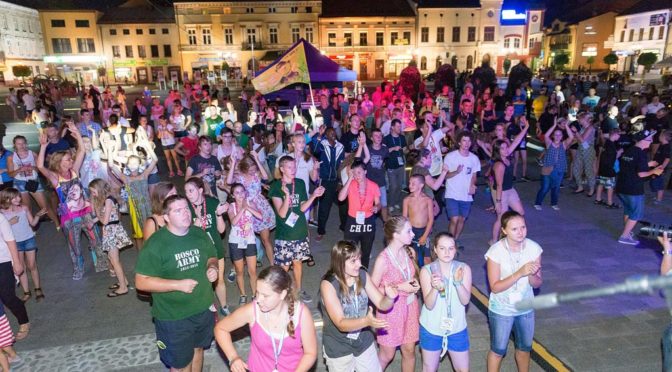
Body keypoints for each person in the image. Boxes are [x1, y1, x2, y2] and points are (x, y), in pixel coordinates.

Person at [135, 195, 219, 372]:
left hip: (203, 309)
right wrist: (177, 285)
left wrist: (213, 267)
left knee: (198, 350)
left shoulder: (199, 234)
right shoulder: (156, 244)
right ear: (166, 217)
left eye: (186, 209)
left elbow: (212, 256)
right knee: (180, 364)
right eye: (178, 210)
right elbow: (141, 282)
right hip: (173, 317)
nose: (185, 213)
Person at [214, 266, 318, 372]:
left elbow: (310, 353)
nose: (258, 299)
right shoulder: (252, 311)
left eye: (265, 295)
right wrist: (233, 358)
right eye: (257, 292)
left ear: (282, 294)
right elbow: (221, 329)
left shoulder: (302, 314)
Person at [37, 123, 106, 280]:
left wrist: (77, 134)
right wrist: (42, 147)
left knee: (96, 239)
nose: (70, 160)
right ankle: (78, 267)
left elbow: (81, 151)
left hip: (86, 212)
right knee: (74, 245)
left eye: (70, 159)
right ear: (60, 162)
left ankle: (102, 263)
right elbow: (40, 166)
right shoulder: (55, 178)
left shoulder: (74, 170)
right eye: (68, 159)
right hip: (69, 217)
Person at [319, 240, 398, 372]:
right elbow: (340, 323)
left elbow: (381, 304)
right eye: (353, 261)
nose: (360, 264)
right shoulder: (328, 285)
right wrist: (366, 321)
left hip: (363, 339)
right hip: (338, 345)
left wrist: (390, 298)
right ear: (340, 263)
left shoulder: (362, 275)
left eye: (359, 258)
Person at [485, 211, 543, 372]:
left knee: (525, 348)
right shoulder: (495, 252)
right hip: (501, 309)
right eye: (514, 229)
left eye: (523, 227)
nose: (520, 232)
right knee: (498, 350)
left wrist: (532, 275)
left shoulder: (533, 248)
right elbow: (495, 287)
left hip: (525, 307)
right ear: (504, 230)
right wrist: (520, 273)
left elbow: (537, 283)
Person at [270, 156, 325, 303]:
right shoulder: (276, 187)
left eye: (294, 167)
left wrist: (314, 196)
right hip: (285, 234)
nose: (293, 170)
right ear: (282, 169)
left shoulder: (299, 183)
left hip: (299, 230)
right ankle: (279, 293)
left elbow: (301, 208)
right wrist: (287, 195)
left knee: (298, 263)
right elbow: (281, 214)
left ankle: (298, 291)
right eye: (289, 167)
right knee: (284, 267)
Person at [371, 216, 420, 372]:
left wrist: (415, 283)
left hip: (410, 306)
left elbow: (411, 277)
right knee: (387, 355)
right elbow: (371, 290)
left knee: (409, 351)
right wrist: (400, 287)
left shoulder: (410, 252)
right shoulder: (383, 260)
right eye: (409, 231)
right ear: (395, 235)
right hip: (390, 310)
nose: (413, 234)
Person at [419, 232, 472, 372]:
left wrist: (458, 283)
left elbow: (465, 300)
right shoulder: (426, 271)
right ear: (435, 250)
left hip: (457, 328)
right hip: (431, 327)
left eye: (451, 248)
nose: (447, 252)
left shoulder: (463, 269)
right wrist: (435, 288)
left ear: (455, 249)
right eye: (442, 248)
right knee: (430, 368)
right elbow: (429, 305)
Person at [184, 177, 230, 315]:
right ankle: (207, 305)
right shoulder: (185, 209)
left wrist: (218, 215)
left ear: (200, 190)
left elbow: (221, 230)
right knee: (203, 282)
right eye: (186, 191)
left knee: (219, 279)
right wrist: (195, 223)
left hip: (215, 248)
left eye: (191, 190)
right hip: (197, 251)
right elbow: (185, 234)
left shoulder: (212, 203)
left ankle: (224, 306)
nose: (188, 194)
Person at [616, 129, 664, 245]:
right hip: (634, 188)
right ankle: (625, 236)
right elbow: (641, 174)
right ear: (643, 141)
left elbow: (631, 165)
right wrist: (654, 171)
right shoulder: (641, 154)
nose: (651, 141)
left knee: (628, 210)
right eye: (649, 139)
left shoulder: (629, 150)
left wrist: (648, 164)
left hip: (622, 187)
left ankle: (628, 231)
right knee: (636, 214)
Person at [227, 154, 276, 264]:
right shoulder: (239, 176)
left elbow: (266, 177)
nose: (253, 172)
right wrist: (233, 163)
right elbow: (229, 182)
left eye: (255, 169)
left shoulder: (257, 174)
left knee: (265, 239)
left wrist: (257, 160)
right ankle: (248, 259)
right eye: (250, 170)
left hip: (260, 208)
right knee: (246, 238)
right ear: (244, 168)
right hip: (245, 208)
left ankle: (273, 264)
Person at [88, 179, 132, 297]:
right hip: (112, 230)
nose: (93, 194)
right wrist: (94, 221)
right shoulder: (109, 199)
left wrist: (97, 215)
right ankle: (124, 281)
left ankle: (123, 287)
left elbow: (105, 220)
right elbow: (108, 214)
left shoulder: (108, 200)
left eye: (93, 192)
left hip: (111, 230)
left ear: (99, 189)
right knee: (113, 258)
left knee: (114, 260)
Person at [0, 188, 46, 302]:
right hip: (15, 243)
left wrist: (38, 215)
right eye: (15, 197)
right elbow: (2, 230)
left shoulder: (24, 208)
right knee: (21, 268)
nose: (18, 198)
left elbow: (33, 223)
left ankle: (38, 288)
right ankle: (26, 292)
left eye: (19, 196)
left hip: (28, 239)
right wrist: (10, 223)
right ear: (7, 199)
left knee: (32, 265)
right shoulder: (2, 214)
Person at [490, 120, 530, 245]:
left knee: (520, 213)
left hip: (510, 190)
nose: (506, 149)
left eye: (506, 147)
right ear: (498, 151)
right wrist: (498, 202)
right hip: (501, 193)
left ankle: (512, 235)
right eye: (502, 148)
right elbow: (499, 185)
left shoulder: (507, 156)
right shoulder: (499, 165)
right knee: (501, 218)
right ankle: (494, 241)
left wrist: (526, 127)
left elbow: (517, 140)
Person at [7, 135, 59, 227]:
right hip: (19, 183)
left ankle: (58, 224)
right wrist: (19, 170)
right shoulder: (11, 157)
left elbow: (40, 169)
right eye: (19, 143)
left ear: (26, 143)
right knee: (27, 208)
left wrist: (33, 167)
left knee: (45, 206)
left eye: (23, 143)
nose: (21, 145)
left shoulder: (33, 154)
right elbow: (10, 174)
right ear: (14, 145)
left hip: (34, 181)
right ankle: (31, 227)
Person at [338, 160, 380, 270]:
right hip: (352, 220)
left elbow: (379, 203)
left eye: (359, 172)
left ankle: (363, 272)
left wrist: (377, 207)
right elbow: (341, 198)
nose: (357, 175)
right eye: (354, 173)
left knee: (366, 252)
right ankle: (349, 272)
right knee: (349, 250)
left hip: (368, 221)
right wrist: (349, 179)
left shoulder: (374, 185)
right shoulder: (350, 184)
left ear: (365, 171)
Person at [443, 131, 480, 243]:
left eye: (469, 141)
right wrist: (456, 172)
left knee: (461, 219)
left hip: (466, 195)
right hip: (452, 194)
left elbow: (474, 175)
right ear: (459, 142)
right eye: (464, 140)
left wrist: (473, 184)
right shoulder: (450, 157)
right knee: (454, 219)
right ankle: (449, 242)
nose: (466, 143)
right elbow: (445, 176)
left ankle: (455, 240)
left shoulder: (474, 159)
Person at [227, 183, 261, 305]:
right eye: (237, 192)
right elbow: (234, 222)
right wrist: (242, 208)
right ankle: (243, 294)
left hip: (250, 240)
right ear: (232, 195)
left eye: (242, 191)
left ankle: (254, 294)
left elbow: (260, 216)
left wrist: (248, 207)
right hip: (236, 242)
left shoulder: (250, 203)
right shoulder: (231, 207)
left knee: (252, 271)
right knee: (239, 271)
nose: (240, 194)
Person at [311, 127, 345, 241]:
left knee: (343, 204)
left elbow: (342, 166)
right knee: (324, 208)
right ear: (326, 135)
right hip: (325, 181)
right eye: (330, 133)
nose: (333, 134)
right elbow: (314, 150)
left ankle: (344, 227)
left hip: (336, 181)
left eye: (334, 132)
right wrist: (319, 136)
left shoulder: (341, 146)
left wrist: (341, 182)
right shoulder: (322, 144)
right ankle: (321, 231)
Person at [534, 118, 575, 210]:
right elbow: (546, 135)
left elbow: (571, 137)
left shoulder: (564, 145)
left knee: (556, 188)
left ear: (561, 136)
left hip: (559, 169)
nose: (557, 136)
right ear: (553, 136)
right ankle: (538, 203)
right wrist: (554, 125)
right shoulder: (549, 143)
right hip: (547, 169)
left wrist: (567, 126)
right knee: (545, 187)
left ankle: (554, 203)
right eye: (555, 135)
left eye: (559, 135)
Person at [403, 174, 434, 266]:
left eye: (413, 183)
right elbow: (404, 218)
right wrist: (406, 233)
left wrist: (425, 236)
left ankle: (428, 278)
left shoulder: (427, 200)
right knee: (412, 257)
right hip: (411, 231)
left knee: (427, 258)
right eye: (409, 183)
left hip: (424, 231)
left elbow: (431, 219)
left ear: (421, 185)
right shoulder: (407, 200)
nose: (410, 185)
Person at [383, 119, 407, 213]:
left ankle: (396, 202)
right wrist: (393, 148)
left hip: (401, 165)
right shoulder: (386, 138)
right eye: (397, 126)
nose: (399, 128)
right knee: (393, 186)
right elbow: (384, 152)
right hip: (391, 166)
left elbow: (405, 149)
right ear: (392, 127)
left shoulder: (402, 138)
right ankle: (391, 204)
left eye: (400, 126)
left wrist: (406, 150)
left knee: (399, 186)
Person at [594, 129, 622, 208]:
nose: (619, 136)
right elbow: (612, 158)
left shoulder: (606, 143)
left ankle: (598, 199)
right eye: (619, 135)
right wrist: (619, 153)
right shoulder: (611, 145)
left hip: (602, 168)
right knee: (610, 186)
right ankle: (609, 203)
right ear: (615, 135)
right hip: (609, 169)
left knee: (601, 183)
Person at [571, 112, 597, 196]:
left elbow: (582, 139)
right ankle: (580, 186)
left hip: (588, 149)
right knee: (575, 168)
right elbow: (578, 140)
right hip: (581, 148)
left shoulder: (590, 128)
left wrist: (576, 132)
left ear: (585, 119)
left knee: (588, 170)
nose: (579, 120)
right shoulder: (583, 127)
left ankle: (592, 189)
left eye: (580, 118)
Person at [650, 130, 670, 205]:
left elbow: (667, 159)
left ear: (664, 137)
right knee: (655, 182)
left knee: (659, 183)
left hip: (660, 169)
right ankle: (657, 196)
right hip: (656, 167)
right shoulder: (662, 145)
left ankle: (659, 199)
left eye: (660, 136)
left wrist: (662, 168)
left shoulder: (667, 147)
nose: (658, 137)